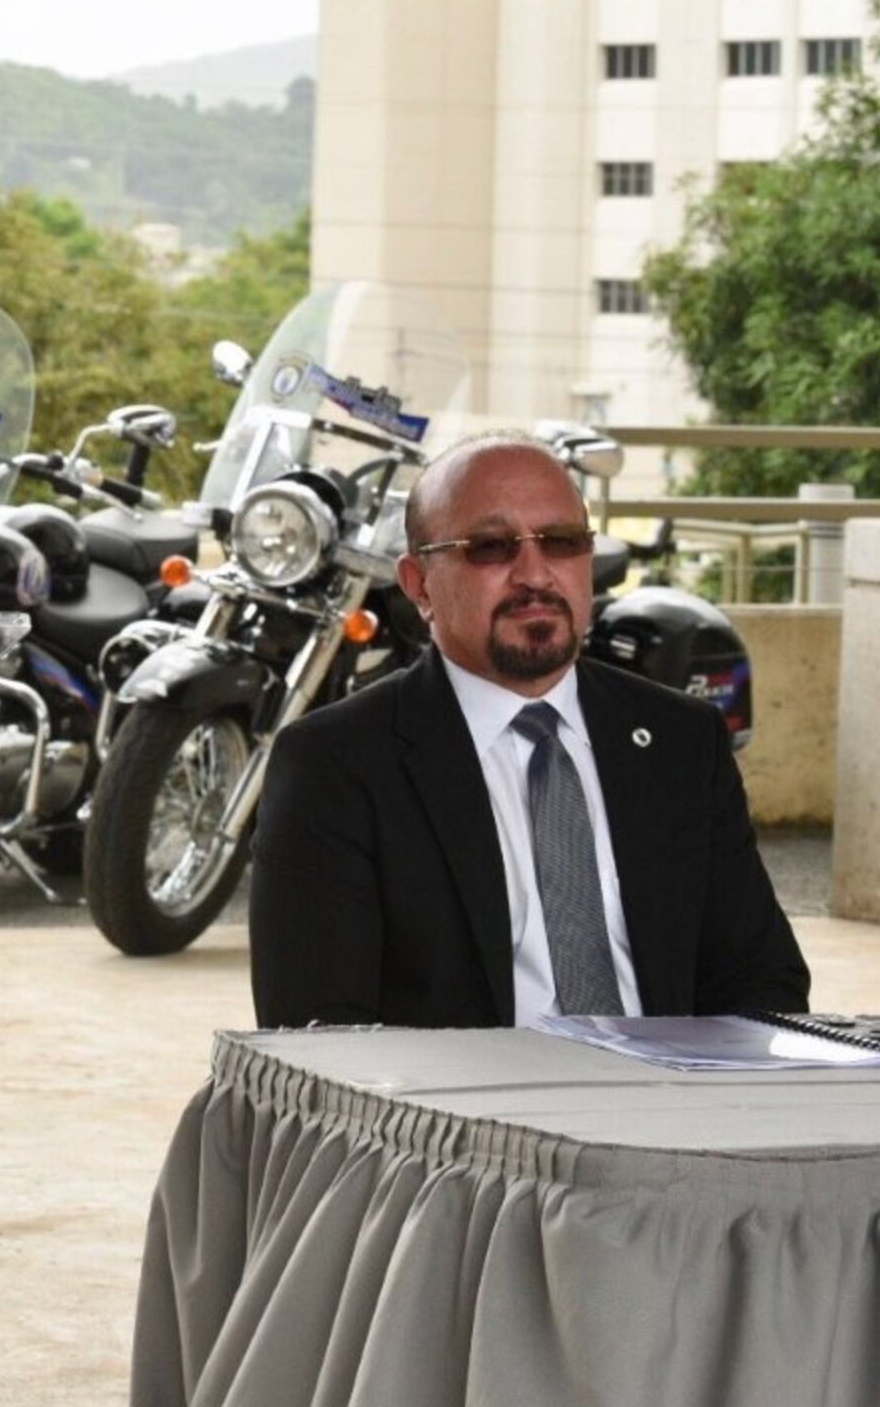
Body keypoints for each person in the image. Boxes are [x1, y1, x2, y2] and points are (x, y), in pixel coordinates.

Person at [249, 433, 808, 1030]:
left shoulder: (681, 739)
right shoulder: (337, 764)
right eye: (490, 547)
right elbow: (318, 1032)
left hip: (669, 1106)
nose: (535, 574)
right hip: (458, 1116)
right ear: (419, 585)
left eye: (562, 542)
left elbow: (761, 981)